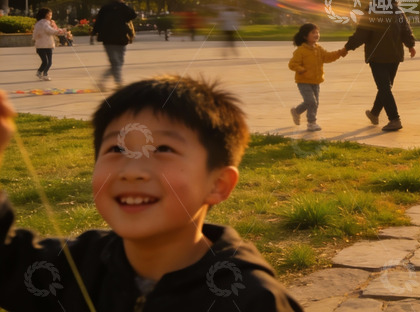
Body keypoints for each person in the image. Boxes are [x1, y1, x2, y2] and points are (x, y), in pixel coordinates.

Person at [0, 79, 304, 312]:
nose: (132, 171)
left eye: (163, 150)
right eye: (116, 149)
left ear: (218, 184)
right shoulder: (72, 268)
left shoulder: (252, 299)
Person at [345, 0, 416, 132]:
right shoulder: (397, 10)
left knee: (384, 87)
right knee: (385, 87)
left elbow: (362, 34)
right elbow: (406, 30)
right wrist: (410, 45)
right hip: (395, 55)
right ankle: (374, 113)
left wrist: (348, 47)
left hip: (377, 56)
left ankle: (394, 119)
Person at [288, 23, 347, 132]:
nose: (316, 34)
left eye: (317, 32)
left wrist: (340, 53)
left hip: (316, 81)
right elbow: (292, 64)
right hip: (303, 81)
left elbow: (328, 57)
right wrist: (300, 69)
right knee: (311, 101)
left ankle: (296, 111)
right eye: (313, 32)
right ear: (305, 36)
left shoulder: (319, 49)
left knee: (313, 102)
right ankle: (311, 123)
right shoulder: (301, 51)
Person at [92, 0, 138, 90]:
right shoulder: (123, 7)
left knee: (115, 62)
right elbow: (133, 15)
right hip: (121, 37)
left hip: (107, 38)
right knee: (118, 62)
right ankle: (118, 82)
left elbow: (98, 21)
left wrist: (94, 33)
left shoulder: (105, 7)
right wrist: (122, 4)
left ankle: (103, 82)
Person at [32, 7, 64, 81]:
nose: (51, 16)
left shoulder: (39, 23)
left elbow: (35, 35)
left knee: (46, 62)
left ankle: (42, 73)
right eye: (50, 15)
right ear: (46, 15)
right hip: (44, 46)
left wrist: (57, 29)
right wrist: (60, 31)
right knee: (47, 62)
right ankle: (42, 73)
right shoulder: (44, 23)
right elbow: (50, 31)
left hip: (42, 46)